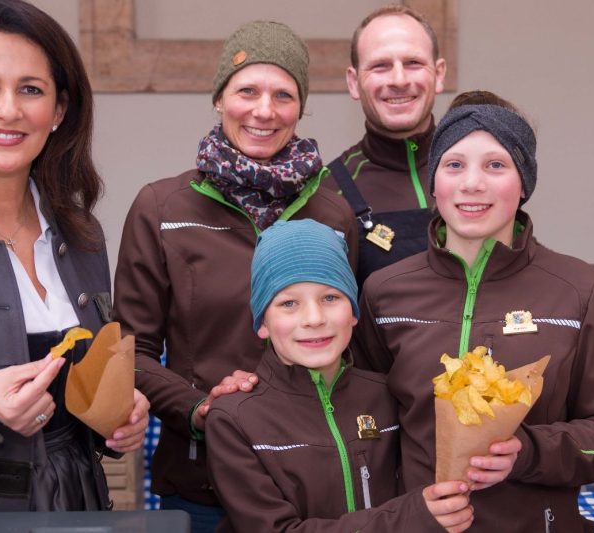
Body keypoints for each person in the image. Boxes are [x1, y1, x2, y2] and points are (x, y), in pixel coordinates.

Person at [0, 1, 149, 528]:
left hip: (81, 508)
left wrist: (117, 416)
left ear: (59, 111)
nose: (8, 110)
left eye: (31, 90)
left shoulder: (82, 237)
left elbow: (84, 390)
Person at [113, 21, 358, 531]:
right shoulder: (162, 208)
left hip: (314, 484)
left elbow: (353, 345)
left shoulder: (334, 216)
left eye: (283, 95)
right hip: (203, 482)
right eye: (247, 91)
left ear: (300, 106)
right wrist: (199, 409)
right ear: (219, 99)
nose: (264, 110)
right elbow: (129, 352)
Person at [353, 102, 594, 531]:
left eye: (495, 165)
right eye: (454, 164)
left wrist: (529, 451)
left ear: (524, 183)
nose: (472, 183)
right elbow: (366, 427)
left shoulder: (580, 291)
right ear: (434, 183)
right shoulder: (384, 292)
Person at [322, 5, 594, 308]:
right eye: (380, 66)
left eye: (413, 62)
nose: (399, 79)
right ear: (353, 82)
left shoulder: (480, 168)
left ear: (439, 73)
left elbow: (528, 263)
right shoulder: (330, 189)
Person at [207, 218, 515, 532]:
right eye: (288, 303)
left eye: (330, 297)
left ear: (354, 312)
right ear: (262, 322)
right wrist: (408, 519)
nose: (314, 318)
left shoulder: (388, 396)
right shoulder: (234, 419)